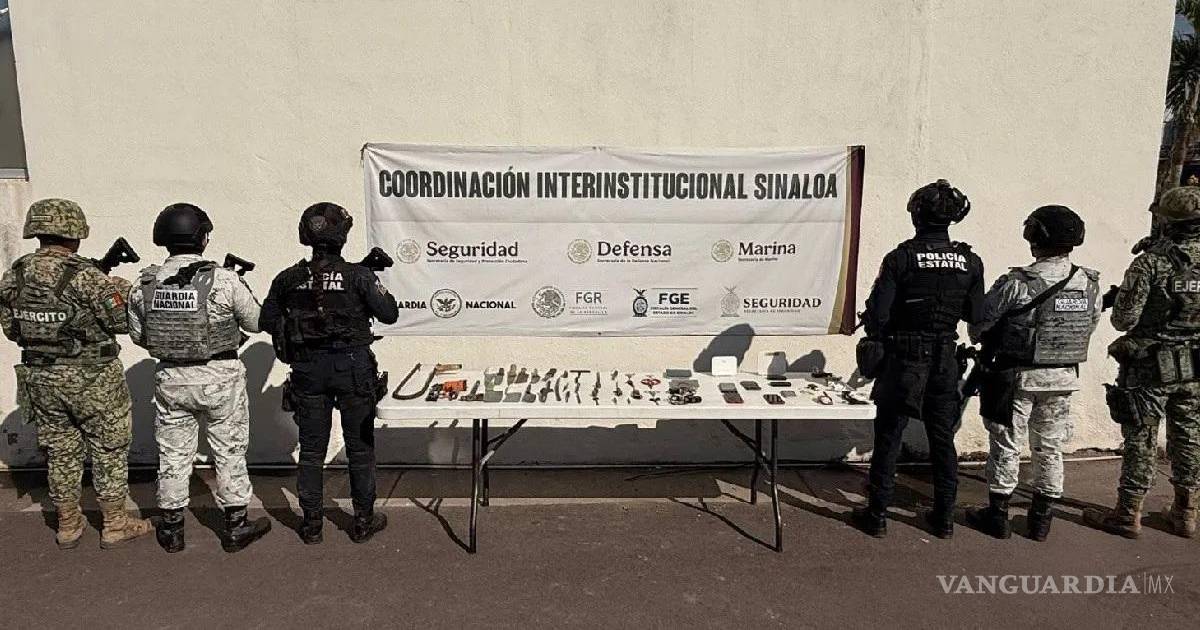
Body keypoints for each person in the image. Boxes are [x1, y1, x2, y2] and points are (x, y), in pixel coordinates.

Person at [0, 199, 153, 549]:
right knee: (108, 448)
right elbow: (121, 322)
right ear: (75, 232)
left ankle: (68, 523)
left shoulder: (15, 274)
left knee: (60, 450)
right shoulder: (87, 276)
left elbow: (11, 329)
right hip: (94, 378)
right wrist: (120, 289)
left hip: (41, 377)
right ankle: (115, 523)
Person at [127, 203, 271, 553]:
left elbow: (139, 337)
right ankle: (236, 524)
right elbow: (256, 323)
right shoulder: (225, 279)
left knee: (173, 454)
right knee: (229, 450)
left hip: (171, 378)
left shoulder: (144, 283)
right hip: (220, 377)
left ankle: (172, 529)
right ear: (203, 237)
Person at [851, 179, 985, 538]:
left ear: (917, 216)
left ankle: (877, 515)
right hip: (944, 359)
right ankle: (944, 518)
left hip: (904, 358)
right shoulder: (970, 262)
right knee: (942, 440)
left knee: (889, 436)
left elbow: (878, 317)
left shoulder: (901, 258)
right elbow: (976, 314)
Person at [260, 202, 398, 544]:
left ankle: (311, 525)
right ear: (342, 236)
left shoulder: (288, 278)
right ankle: (363, 520)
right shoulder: (359, 276)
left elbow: (266, 320)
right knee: (360, 448)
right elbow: (389, 313)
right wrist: (366, 279)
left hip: (308, 369)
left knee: (311, 451)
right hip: (352, 367)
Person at [965, 206, 1101, 541]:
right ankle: (1041, 521)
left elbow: (980, 325)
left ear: (1034, 236)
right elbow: (1090, 326)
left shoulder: (1018, 283)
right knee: (1050, 447)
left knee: (1007, 443)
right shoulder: (1089, 282)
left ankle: (997, 516)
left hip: (1017, 378)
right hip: (1062, 378)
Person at [1084, 186, 1200, 539]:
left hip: (1151, 364)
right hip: (1195, 364)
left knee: (1142, 436)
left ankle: (1128, 513)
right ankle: (1186, 512)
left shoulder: (1151, 262)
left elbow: (1124, 320)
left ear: (1166, 221)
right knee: (1189, 435)